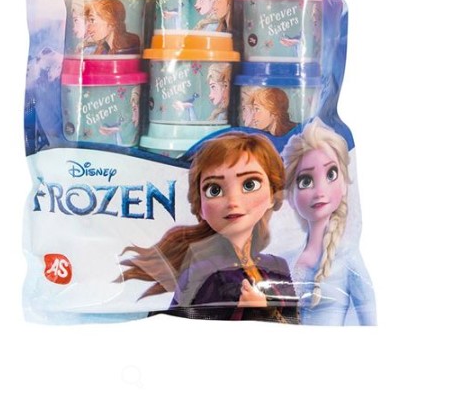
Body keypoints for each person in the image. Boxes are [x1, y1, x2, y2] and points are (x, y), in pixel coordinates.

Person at [119, 131, 299, 322]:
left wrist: (265, 311)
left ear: (272, 195)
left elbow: (294, 324)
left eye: (249, 184)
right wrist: (256, 312)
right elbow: (185, 328)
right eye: (215, 190)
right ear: (201, 207)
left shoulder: (277, 267)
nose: (233, 201)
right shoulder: (205, 271)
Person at [282, 118, 376, 325]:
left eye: (331, 174)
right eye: (305, 181)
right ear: (291, 195)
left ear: (344, 184)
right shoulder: (286, 259)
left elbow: (369, 322)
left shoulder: (347, 257)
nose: (320, 191)